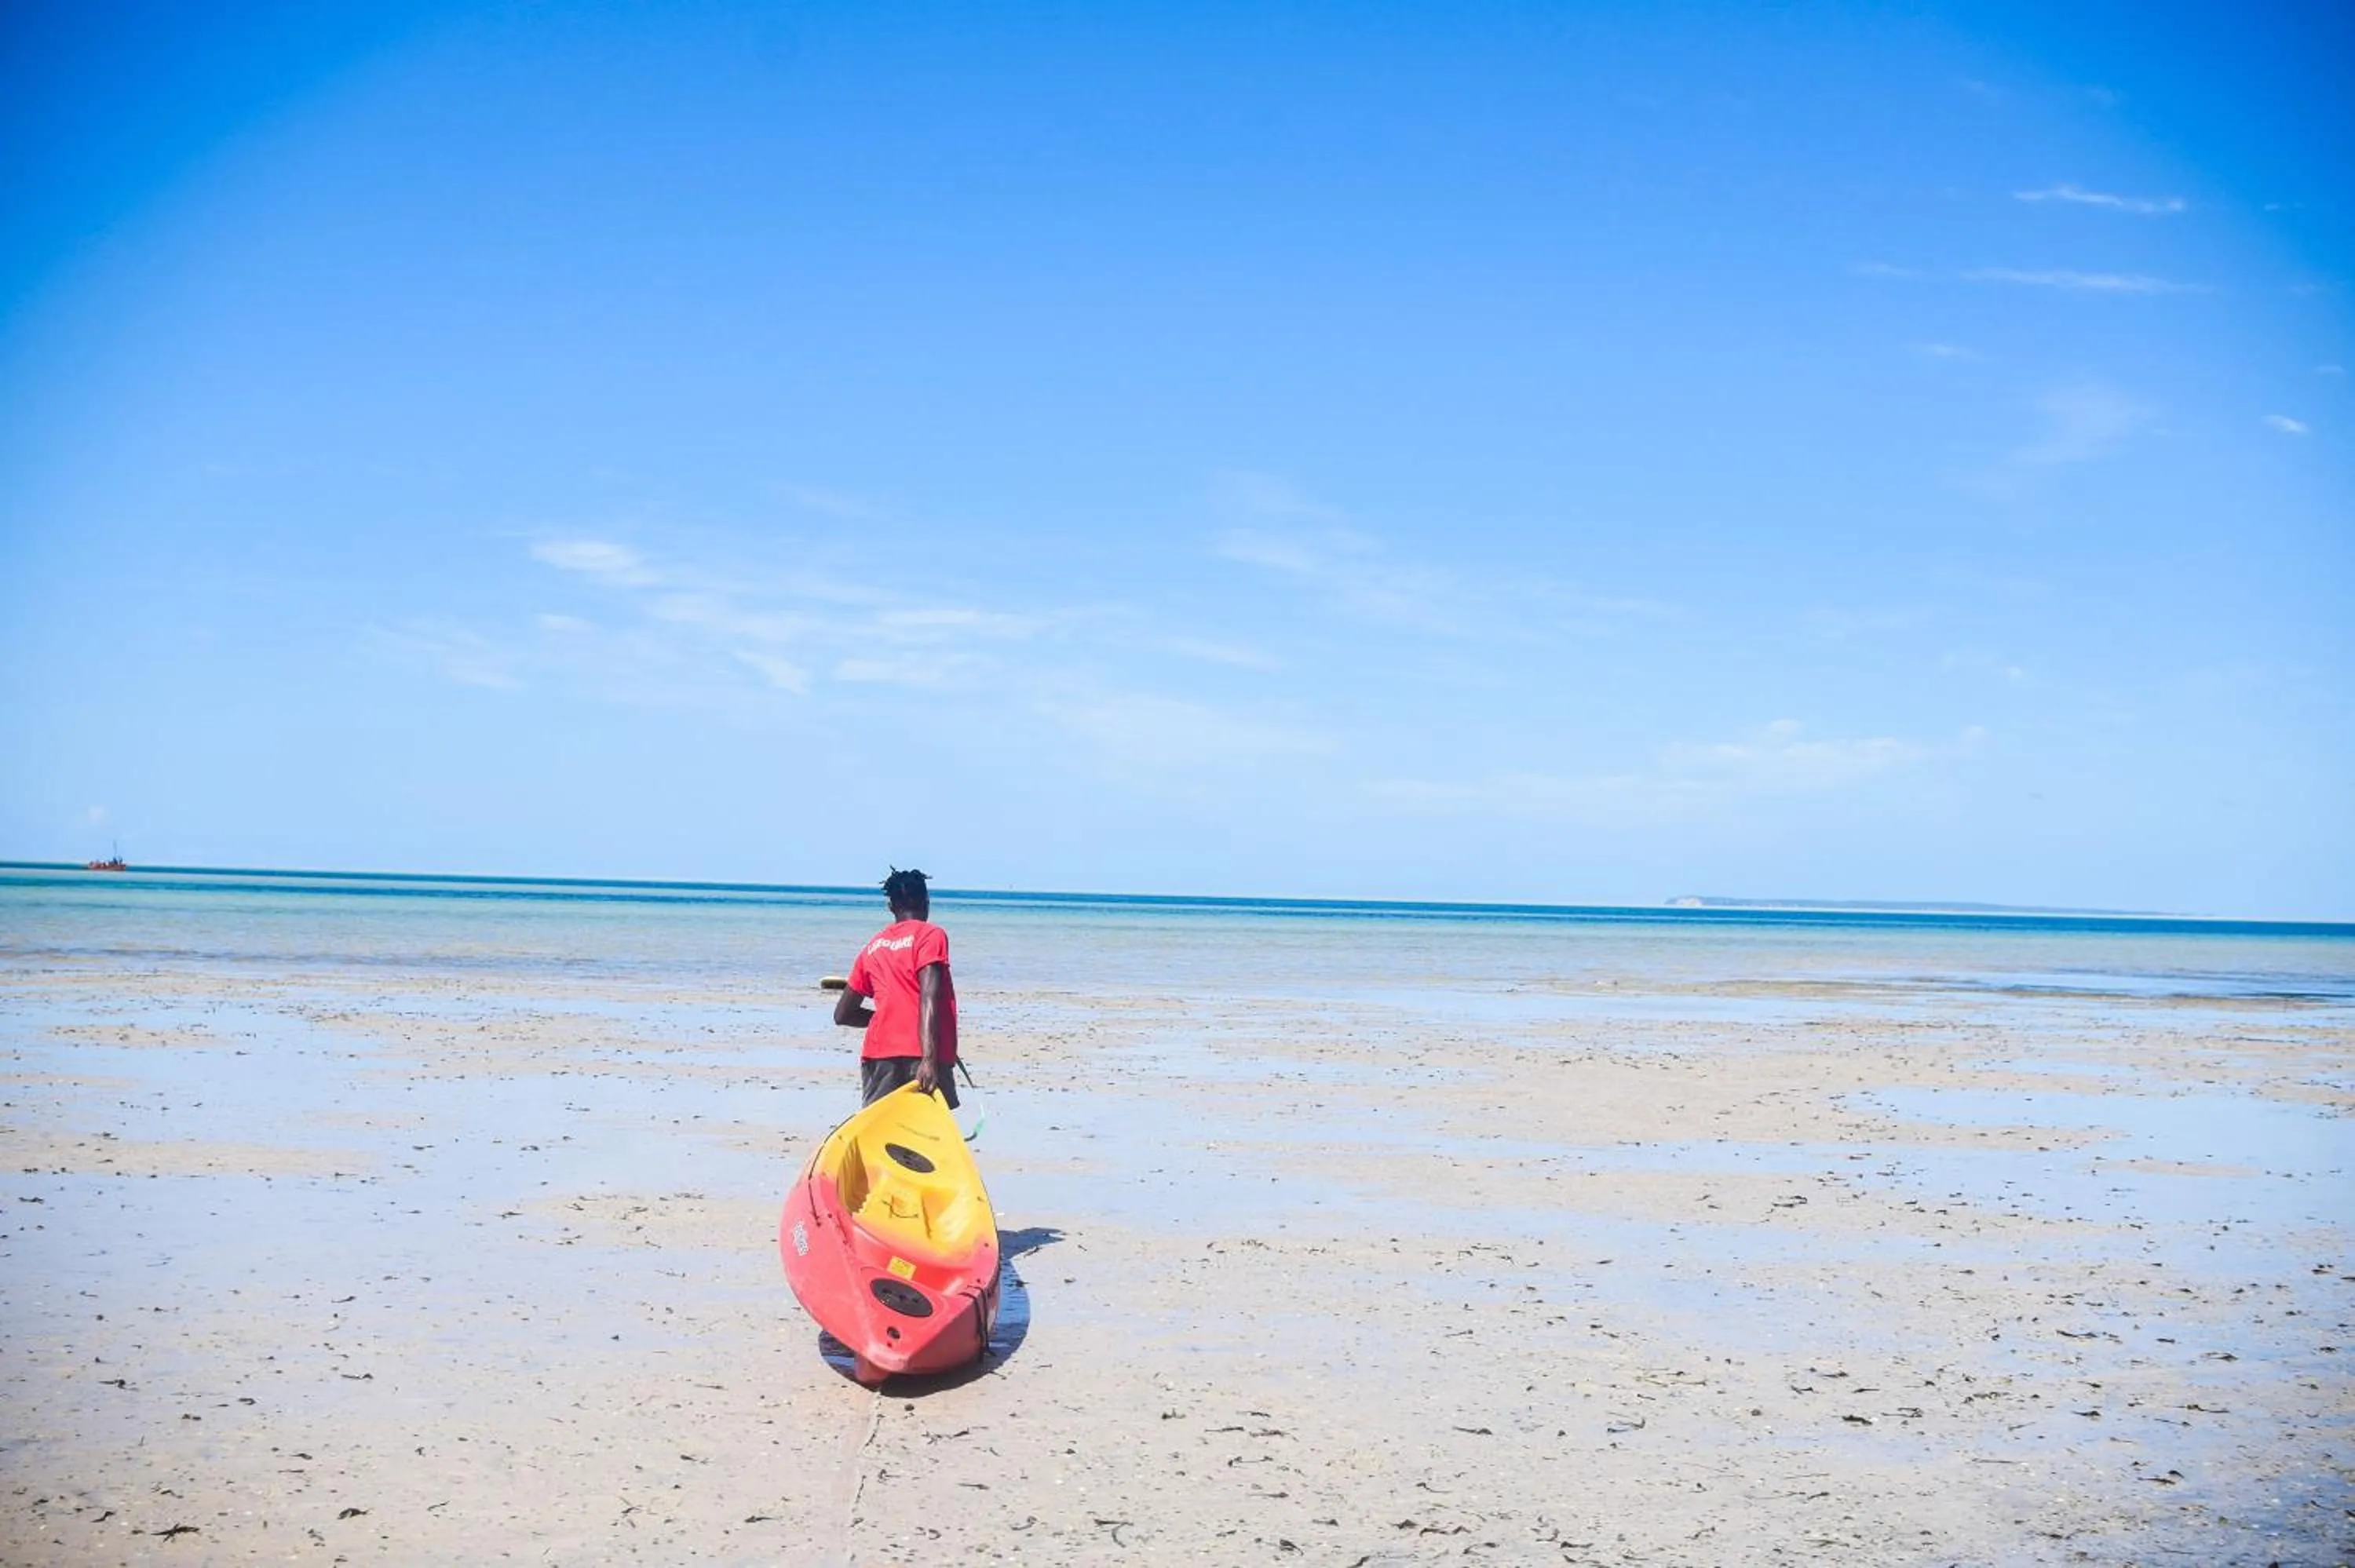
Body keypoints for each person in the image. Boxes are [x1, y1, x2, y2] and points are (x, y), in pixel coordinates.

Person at [834, 867, 959, 1108]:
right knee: (927, 1138)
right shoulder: (930, 935)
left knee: (882, 1136)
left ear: (891, 907)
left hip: (878, 1057)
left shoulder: (873, 946)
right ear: (927, 901)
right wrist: (929, 1059)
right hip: (921, 1054)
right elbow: (929, 997)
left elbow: (843, 1014)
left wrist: (887, 1017)